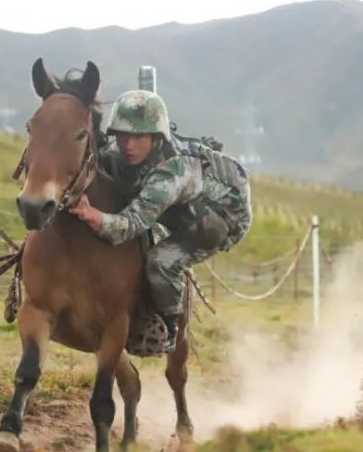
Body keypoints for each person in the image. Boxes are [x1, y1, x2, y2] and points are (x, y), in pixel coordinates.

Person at [70, 89, 252, 352]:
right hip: (181, 199)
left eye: (138, 136)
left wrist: (92, 215)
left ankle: (169, 329)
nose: (128, 145)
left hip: (220, 215)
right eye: (122, 135)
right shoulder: (123, 150)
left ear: (156, 137)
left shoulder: (172, 174)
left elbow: (130, 225)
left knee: (161, 261)